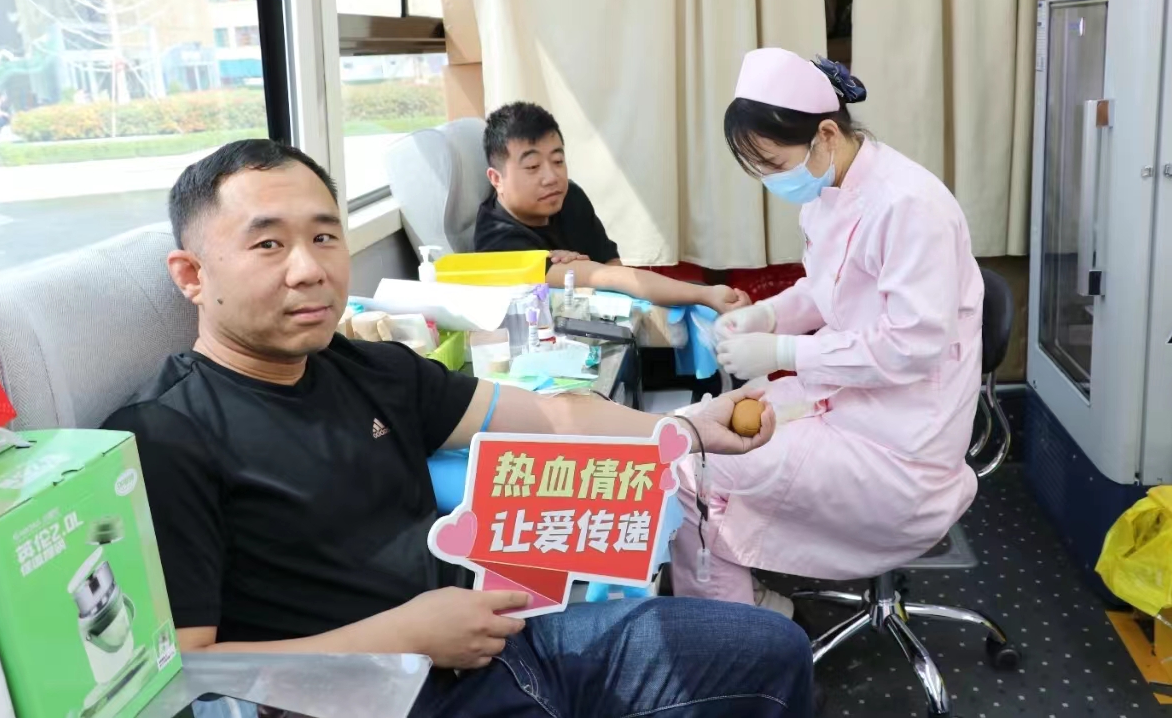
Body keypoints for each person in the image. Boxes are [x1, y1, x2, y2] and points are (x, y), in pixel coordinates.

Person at [102, 139, 814, 717]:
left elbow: (552, 413)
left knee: (770, 649)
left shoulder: (371, 369)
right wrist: (403, 637)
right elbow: (185, 669)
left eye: (324, 236)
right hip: (373, 697)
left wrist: (685, 427)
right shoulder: (165, 437)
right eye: (268, 245)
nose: (309, 268)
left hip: (501, 643)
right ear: (192, 275)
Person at [668, 49, 982, 618]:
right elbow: (826, 287)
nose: (770, 180)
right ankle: (745, 605)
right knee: (690, 435)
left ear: (827, 135)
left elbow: (911, 346)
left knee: (688, 467)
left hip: (899, 446)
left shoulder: (909, 206)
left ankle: (733, 638)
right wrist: (768, 316)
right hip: (847, 403)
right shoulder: (828, 191)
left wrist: (785, 349)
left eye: (773, 163)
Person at [475, 101, 751, 314]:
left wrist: (589, 271)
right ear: (496, 179)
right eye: (533, 166)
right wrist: (706, 295)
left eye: (558, 161)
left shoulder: (568, 197)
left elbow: (611, 266)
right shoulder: (498, 243)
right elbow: (610, 277)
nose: (551, 177)